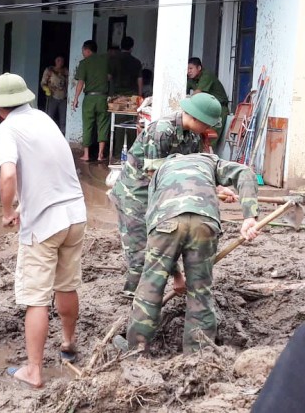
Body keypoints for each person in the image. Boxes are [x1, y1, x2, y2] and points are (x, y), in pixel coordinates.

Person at [0, 72, 87, 388]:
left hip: (44, 224)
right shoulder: (43, 118)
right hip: (75, 214)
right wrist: (21, 204)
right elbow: (47, 168)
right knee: (66, 284)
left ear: (0, 107)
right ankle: (68, 343)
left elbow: (7, 176)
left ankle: (33, 370)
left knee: (36, 298)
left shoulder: (8, 128)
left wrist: (6, 212)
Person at [123, 153, 258, 353]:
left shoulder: (161, 171)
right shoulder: (209, 161)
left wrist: (175, 274)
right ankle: (198, 354)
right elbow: (245, 172)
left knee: (150, 287)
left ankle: (136, 349)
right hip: (204, 222)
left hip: (165, 222)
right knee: (200, 290)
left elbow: (152, 218)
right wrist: (249, 216)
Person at [109, 92, 223, 296]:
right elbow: (157, 177)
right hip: (136, 194)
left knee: (170, 237)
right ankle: (134, 296)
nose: (209, 129)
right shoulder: (162, 131)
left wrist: (216, 188)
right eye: (207, 124)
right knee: (142, 247)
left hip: (167, 190)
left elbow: (195, 168)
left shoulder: (194, 136)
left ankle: (155, 291)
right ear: (195, 118)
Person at [72, 40, 110, 162]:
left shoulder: (84, 63)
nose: (83, 53)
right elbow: (110, 77)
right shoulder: (105, 61)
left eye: (83, 51)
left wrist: (75, 99)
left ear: (87, 50)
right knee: (103, 125)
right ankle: (100, 155)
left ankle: (86, 154)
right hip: (103, 97)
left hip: (89, 98)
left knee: (87, 125)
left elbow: (80, 82)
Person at [109, 36, 143, 157]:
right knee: (132, 126)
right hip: (132, 97)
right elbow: (139, 80)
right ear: (132, 47)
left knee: (118, 126)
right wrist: (139, 96)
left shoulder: (113, 60)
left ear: (120, 46)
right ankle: (131, 152)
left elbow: (109, 77)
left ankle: (117, 153)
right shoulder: (136, 62)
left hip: (117, 98)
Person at [187, 58, 229, 146]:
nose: (188, 71)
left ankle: (207, 157)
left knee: (210, 139)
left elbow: (198, 93)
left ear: (199, 68)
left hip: (219, 109)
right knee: (199, 138)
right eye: (187, 69)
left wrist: (187, 104)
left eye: (191, 68)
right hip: (206, 110)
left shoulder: (206, 75)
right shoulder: (191, 79)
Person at [40, 55, 69, 134]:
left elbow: (69, 84)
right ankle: (48, 134)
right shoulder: (49, 70)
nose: (60, 62)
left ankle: (63, 135)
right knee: (50, 117)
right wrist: (46, 89)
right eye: (58, 60)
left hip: (63, 98)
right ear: (55, 61)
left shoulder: (66, 71)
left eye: (62, 61)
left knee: (63, 119)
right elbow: (43, 83)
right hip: (52, 97)